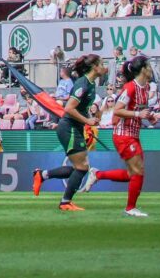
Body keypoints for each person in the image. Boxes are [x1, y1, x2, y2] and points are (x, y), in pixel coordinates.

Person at [31, 54, 105, 211]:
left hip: (75, 127)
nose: (105, 66)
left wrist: (91, 117)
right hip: (69, 127)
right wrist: (88, 121)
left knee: (79, 167)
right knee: (82, 167)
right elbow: (69, 108)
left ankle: (42, 175)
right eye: (102, 63)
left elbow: (80, 109)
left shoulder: (90, 84)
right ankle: (65, 202)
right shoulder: (83, 84)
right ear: (94, 67)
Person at [91, 56, 152, 218]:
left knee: (133, 173)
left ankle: (97, 174)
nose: (151, 68)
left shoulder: (145, 87)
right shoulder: (130, 88)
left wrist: (149, 117)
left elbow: (138, 110)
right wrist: (138, 113)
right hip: (123, 135)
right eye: (149, 65)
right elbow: (117, 110)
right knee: (138, 171)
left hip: (133, 134)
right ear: (143, 69)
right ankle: (130, 207)